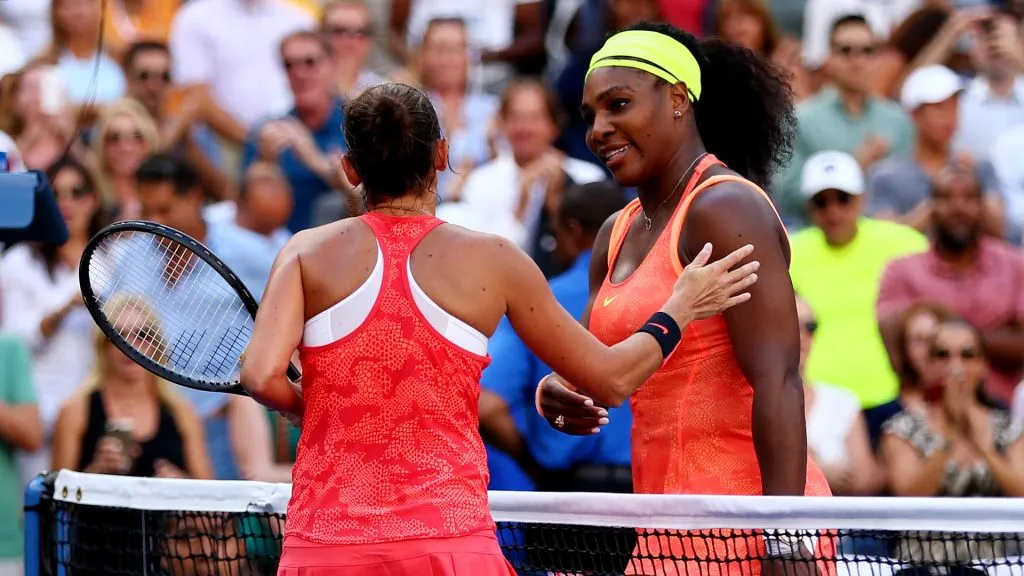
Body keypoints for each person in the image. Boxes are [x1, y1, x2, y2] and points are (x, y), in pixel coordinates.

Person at [239, 82, 760, 576]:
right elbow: (613, 378)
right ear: (441, 155)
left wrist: (312, 405)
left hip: (325, 546)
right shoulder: (494, 260)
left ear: (351, 169)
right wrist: (681, 307)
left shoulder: (304, 251)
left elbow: (262, 377)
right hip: (450, 545)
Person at [533, 21, 834, 575]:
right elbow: (595, 365)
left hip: (750, 523)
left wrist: (787, 539)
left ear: (677, 100)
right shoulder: (615, 232)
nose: (600, 129)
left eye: (618, 104)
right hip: (666, 525)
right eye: (590, 116)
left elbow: (780, 380)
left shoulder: (725, 210)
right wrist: (556, 391)